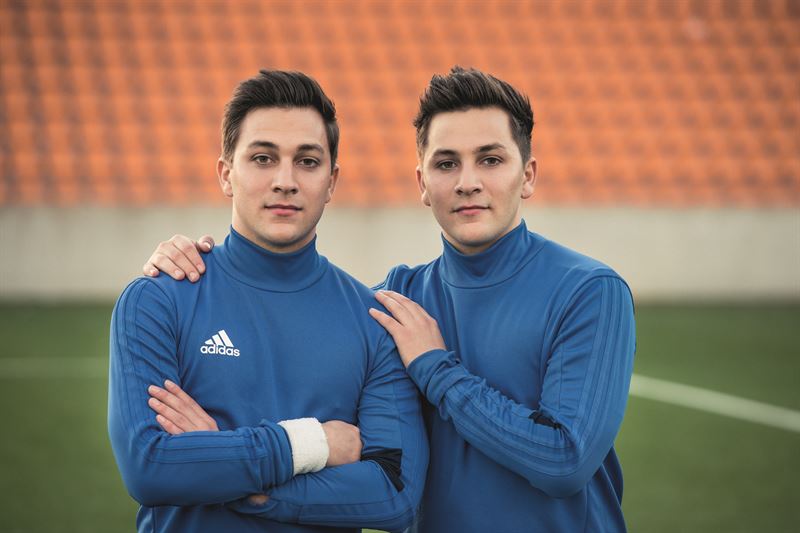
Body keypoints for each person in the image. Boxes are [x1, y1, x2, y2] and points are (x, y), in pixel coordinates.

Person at [144, 67, 636, 532]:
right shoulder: (395, 300)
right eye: (446, 163)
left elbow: (563, 462)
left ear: (527, 175)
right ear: (423, 183)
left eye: (490, 160)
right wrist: (192, 261)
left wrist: (436, 369)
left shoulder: (588, 291)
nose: (467, 181)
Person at [108, 69, 427, 533]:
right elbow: (150, 467)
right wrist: (312, 444)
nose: (285, 180)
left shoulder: (374, 321)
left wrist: (233, 474)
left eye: (308, 161)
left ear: (332, 181)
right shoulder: (158, 299)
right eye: (262, 158)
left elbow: (394, 494)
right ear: (226, 174)